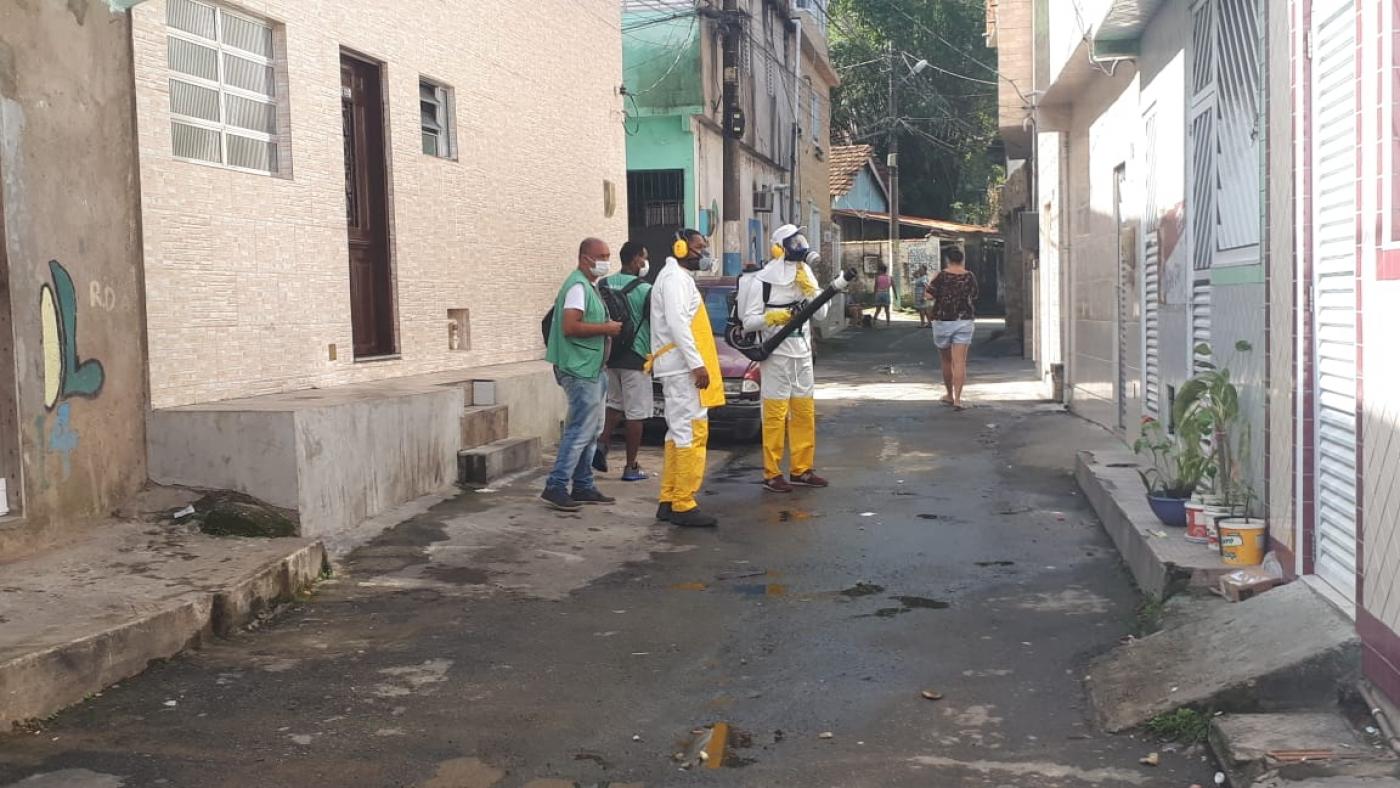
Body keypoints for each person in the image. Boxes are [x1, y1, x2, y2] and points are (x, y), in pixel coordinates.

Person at [740, 224, 831, 493]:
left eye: (801, 238)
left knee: (804, 412)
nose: (799, 244)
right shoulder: (764, 280)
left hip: (802, 353)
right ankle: (772, 472)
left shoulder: (806, 273)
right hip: (776, 355)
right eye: (793, 241)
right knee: (775, 414)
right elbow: (748, 322)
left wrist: (811, 290)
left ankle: (802, 469)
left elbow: (822, 314)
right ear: (780, 247)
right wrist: (773, 317)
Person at [648, 229, 725, 527]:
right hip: (682, 369)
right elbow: (679, 323)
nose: (703, 254)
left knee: (677, 432)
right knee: (691, 433)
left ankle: (669, 498)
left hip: (677, 367)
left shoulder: (675, 279)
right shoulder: (676, 280)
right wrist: (697, 365)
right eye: (699, 248)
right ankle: (684, 503)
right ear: (680, 248)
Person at [541, 238, 623, 511]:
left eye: (608, 255)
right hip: (579, 369)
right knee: (580, 431)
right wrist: (606, 328)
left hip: (591, 368)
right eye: (601, 256)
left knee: (592, 431)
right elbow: (570, 326)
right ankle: (556, 485)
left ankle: (583, 485)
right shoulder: (577, 286)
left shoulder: (590, 287)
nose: (605, 261)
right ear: (584, 258)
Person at [593, 242, 652, 482]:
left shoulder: (604, 284)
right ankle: (631, 466)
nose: (645, 263)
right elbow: (655, 323)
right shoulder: (646, 289)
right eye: (644, 257)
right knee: (636, 413)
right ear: (637, 259)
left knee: (614, 404)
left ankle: (602, 444)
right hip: (636, 356)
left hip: (610, 354)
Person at [925, 247, 979, 410]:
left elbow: (928, 296)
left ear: (947, 260)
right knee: (960, 361)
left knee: (946, 360)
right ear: (962, 260)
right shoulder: (969, 276)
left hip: (943, 321)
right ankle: (958, 399)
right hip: (964, 320)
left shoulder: (940, 276)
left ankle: (949, 394)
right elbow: (975, 295)